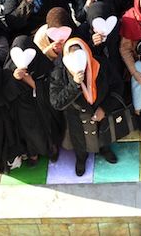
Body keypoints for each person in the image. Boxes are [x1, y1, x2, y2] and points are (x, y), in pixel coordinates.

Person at [49, 38, 120, 176]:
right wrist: (74, 85)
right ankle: (81, 158)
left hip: (100, 111)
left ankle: (104, 149)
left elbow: (117, 86)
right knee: (79, 141)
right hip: (76, 116)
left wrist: (104, 108)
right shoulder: (59, 73)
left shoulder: (101, 64)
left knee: (103, 135)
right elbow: (56, 102)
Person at [4, 35, 62, 165]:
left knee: (47, 130)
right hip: (22, 110)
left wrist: (32, 82)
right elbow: (6, 94)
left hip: (42, 107)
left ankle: (51, 150)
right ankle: (32, 154)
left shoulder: (42, 64)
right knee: (28, 133)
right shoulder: (9, 69)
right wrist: (14, 79)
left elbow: (52, 89)